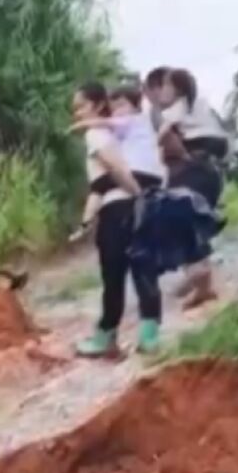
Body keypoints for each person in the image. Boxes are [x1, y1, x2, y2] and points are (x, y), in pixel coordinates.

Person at [69, 82, 163, 357]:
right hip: (127, 206)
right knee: (142, 269)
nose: (76, 113)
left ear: (98, 106)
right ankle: (149, 337)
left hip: (120, 210)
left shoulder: (95, 135)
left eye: (81, 106)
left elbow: (117, 169)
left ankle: (106, 338)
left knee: (114, 276)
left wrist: (137, 194)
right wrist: (86, 222)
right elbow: (100, 186)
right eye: (74, 109)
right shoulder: (116, 135)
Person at [162, 127, 224, 307]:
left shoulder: (143, 111)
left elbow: (167, 136)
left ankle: (200, 281)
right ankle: (198, 279)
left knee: (183, 225)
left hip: (188, 172)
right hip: (194, 171)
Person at [156, 68, 232, 165]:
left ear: (178, 89)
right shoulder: (200, 101)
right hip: (220, 142)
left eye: (166, 85)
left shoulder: (180, 105)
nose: (163, 90)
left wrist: (155, 143)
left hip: (201, 141)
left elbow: (164, 130)